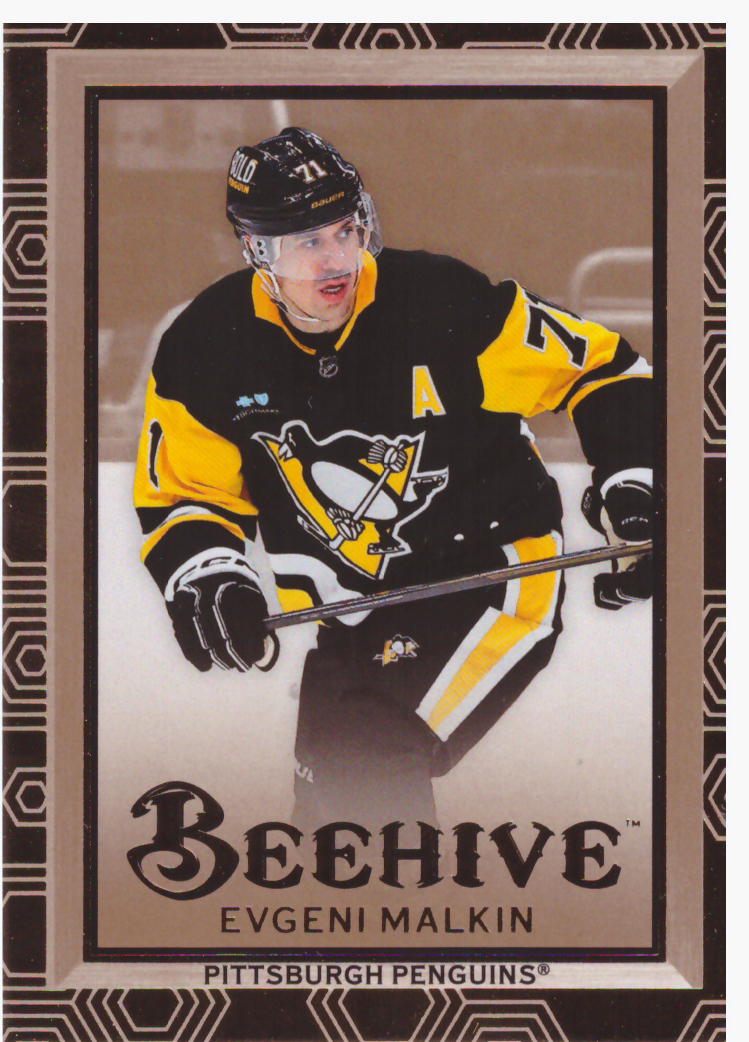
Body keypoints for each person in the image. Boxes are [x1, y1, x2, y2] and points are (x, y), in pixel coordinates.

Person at [134, 127, 653, 831]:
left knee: (366, 757)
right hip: (346, 608)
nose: (335, 259)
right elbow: (186, 493)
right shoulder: (206, 345)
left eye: (346, 230)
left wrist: (632, 481)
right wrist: (211, 574)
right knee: (323, 810)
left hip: (490, 578)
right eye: (306, 241)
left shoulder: (443, 302)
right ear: (256, 249)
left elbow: (604, 371)